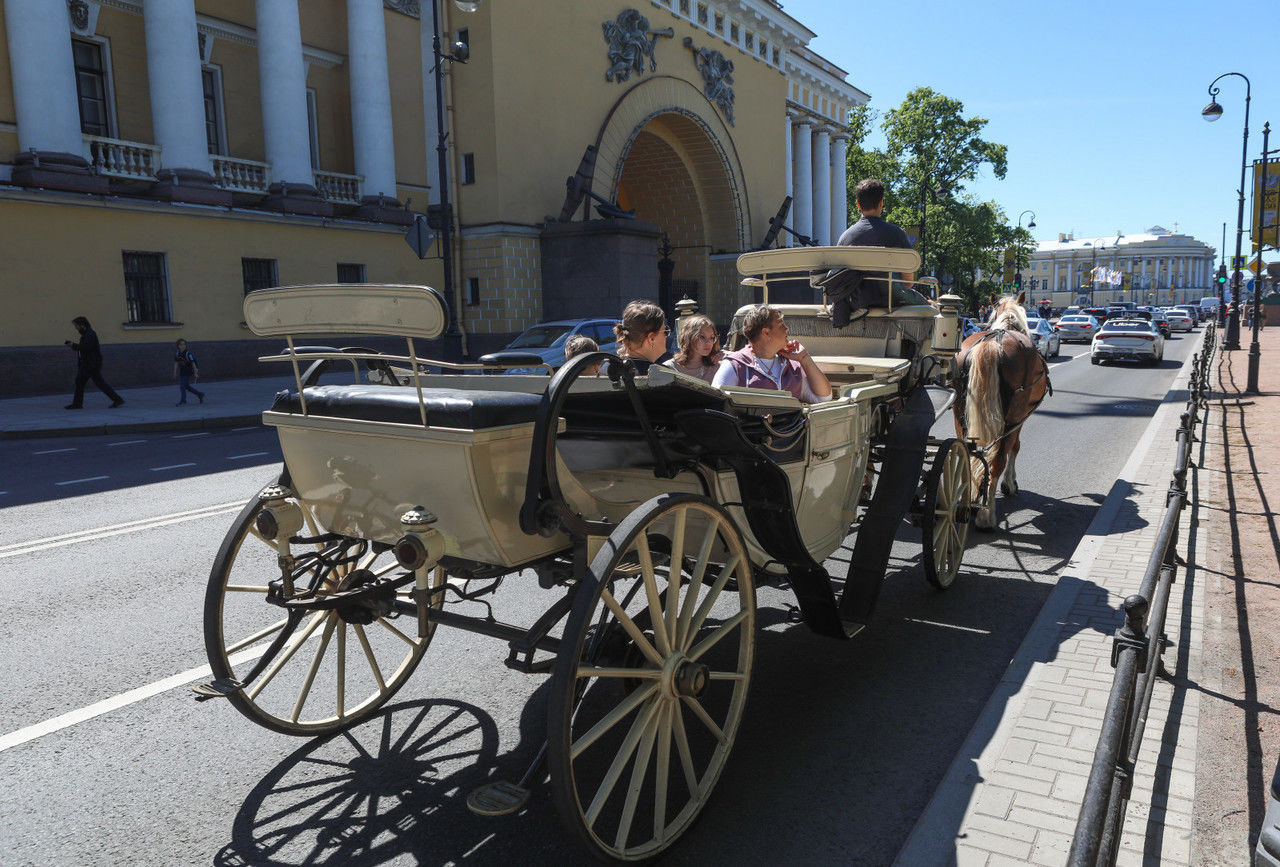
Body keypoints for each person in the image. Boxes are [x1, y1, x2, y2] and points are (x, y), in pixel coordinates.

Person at [712, 305, 831, 403]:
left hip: (788, 431)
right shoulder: (735, 365)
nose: (787, 329)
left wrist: (804, 358)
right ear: (766, 332)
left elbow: (823, 397)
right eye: (781, 325)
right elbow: (717, 403)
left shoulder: (792, 366)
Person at [836, 178, 916, 285]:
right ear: (881, 203)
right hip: (889, 299)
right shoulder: (897, 234)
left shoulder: (845, 237)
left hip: (854, 300)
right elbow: (908, 282)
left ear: (858, 205)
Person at [65, 316, 124, 409]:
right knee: (80, 382)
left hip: (91, 364)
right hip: (87, 364)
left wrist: (73, 345)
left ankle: (117, 399)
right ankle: (77, 404)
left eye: (76, 325)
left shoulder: (90, 334)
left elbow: (86, 348)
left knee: (99, 383)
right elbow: (83, 348)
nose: (76, 328)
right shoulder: (86, 334)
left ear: (82, 325)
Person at [613, 300, 672, 373]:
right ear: (651, 338)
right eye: (666, 331)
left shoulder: (608, 369)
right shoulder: (664, 375)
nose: (666, 337)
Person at [665, 314, 723, 384]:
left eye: (712, 337)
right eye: (702, 337)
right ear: (689, 337)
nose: (708, 342)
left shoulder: (716, 367)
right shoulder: (670, 368)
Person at [173, 338, 205, 405]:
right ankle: (200, 394)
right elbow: (176, 363)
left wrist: (195, 373)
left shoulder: (188, 354)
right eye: (181, 344)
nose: (183, 346)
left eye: (184, 344)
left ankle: (183, 401)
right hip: (182, 371)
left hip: (188, 371)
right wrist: (175, 372)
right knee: (186, 386)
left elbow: (193, 363)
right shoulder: (177, 353)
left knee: (182, 386)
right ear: (178, 346)